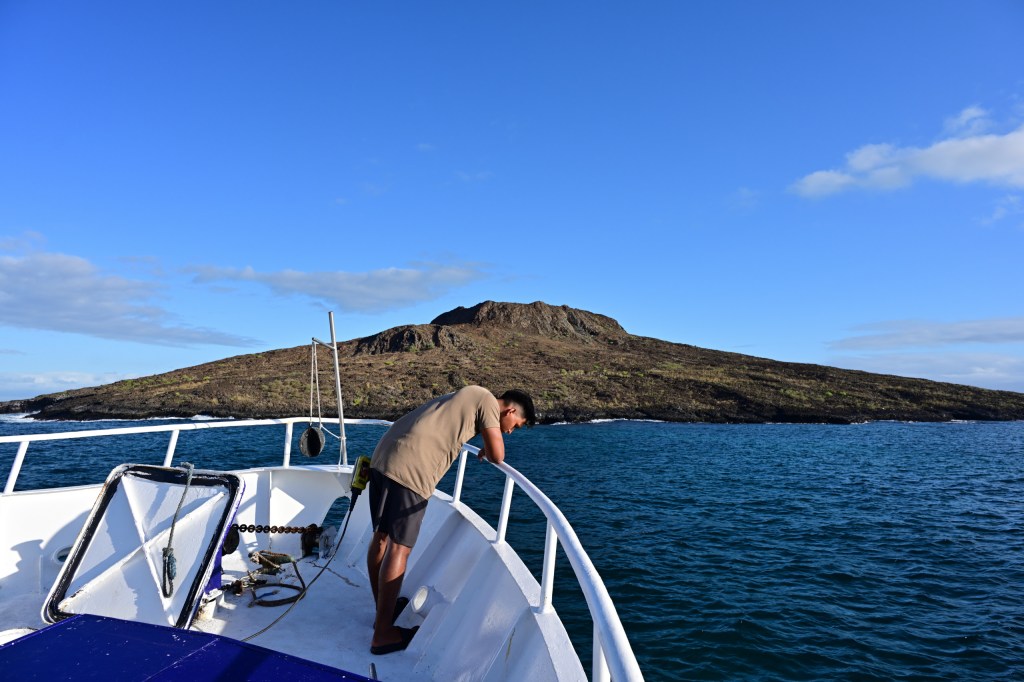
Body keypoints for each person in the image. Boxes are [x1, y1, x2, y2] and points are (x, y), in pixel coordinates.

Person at [365, 386, 537, 655]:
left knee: (381, 537)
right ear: (510, 410)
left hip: (385, 456)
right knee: (399, 548)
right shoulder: (489, 402)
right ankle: (383, 634)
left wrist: (485, 441)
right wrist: (490, 445)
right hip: (412, 468)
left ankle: (381, 612)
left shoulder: (472, 396)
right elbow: (498, 455)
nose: (510, 431)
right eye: (515, 425)